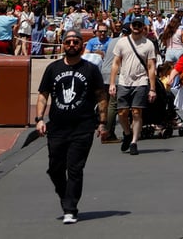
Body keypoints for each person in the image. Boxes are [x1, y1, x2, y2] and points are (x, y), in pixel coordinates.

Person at [34, 29, 107, 225]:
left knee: (75, 168)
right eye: (68, 42)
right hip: (57, 127)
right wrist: (39, 118)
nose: (72, 45)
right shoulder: (53, 68)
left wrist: (102, 122)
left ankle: (70, 208)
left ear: (82, 46)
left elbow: (101, 95)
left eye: (76, 42)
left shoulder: (90, 70)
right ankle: (66, 197)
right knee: (55, 169)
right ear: (63, 45)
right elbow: (43, 95)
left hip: (83, 126)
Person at [109, 17, 158, 156]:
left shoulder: (148, 44)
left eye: (139, 25)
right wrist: (112, 83)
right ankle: (127, 133)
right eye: (134, 24)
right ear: (131, 26)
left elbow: (151, 66)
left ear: (143, 27)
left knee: (137, 112)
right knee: (122, 112)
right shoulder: (122, 42)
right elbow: (116, 63)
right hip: (124, 80)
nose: (136, 27)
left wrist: (152, 88)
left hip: (140, 81)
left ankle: (134, 142)